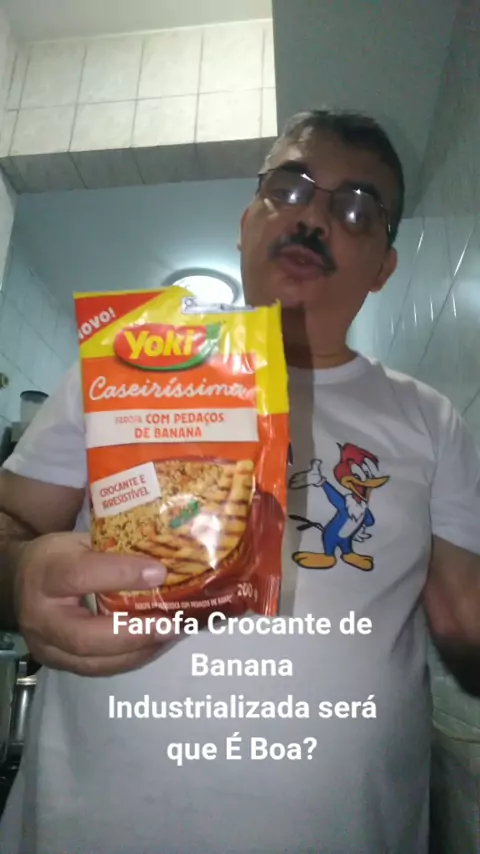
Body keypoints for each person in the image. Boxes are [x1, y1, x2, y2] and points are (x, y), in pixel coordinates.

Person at [0, 108, 479, 854]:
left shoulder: (429, 419)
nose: (313, 217)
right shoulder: (128, 362)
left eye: (357, 208)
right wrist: (22, 572)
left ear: (384, 267)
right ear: (247, 219)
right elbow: (12, 529)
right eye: (290, 186)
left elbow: (465, 623)